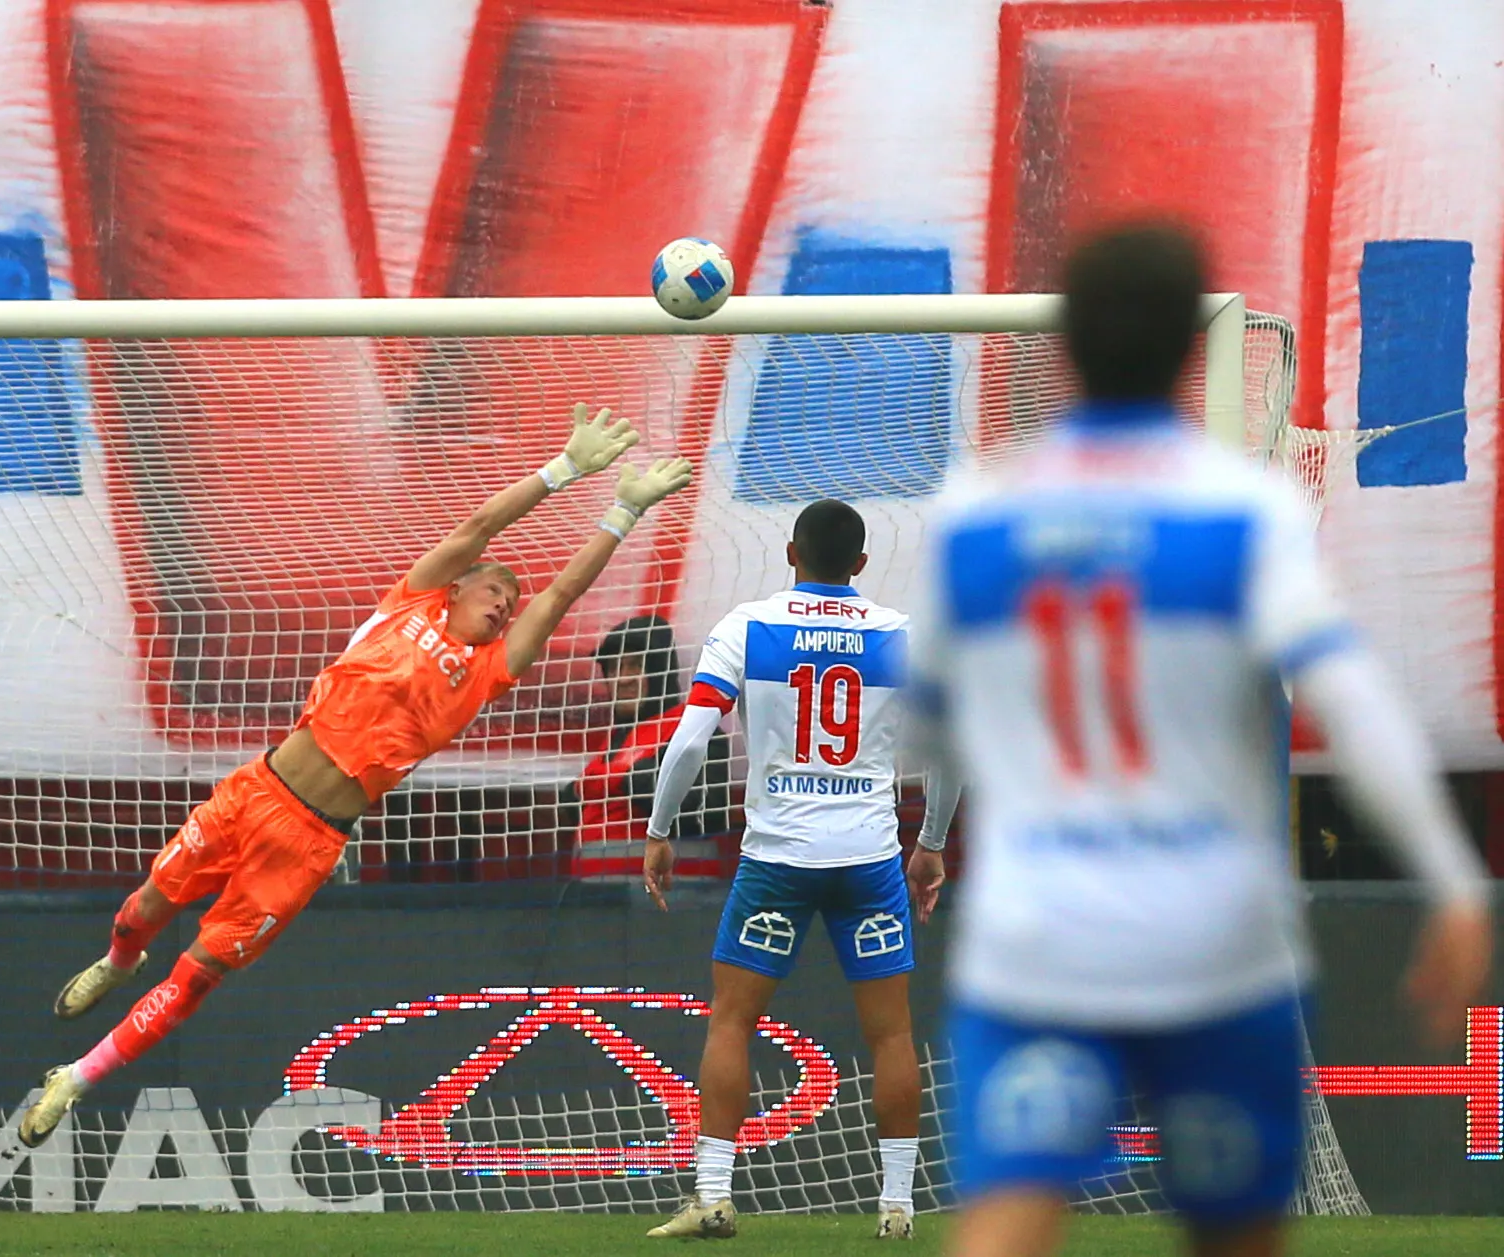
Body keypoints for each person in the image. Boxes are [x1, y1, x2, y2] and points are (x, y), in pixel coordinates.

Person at [907, 222, 1494, 1257]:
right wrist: (1450, 880)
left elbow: (926, 723)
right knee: (1232, 1235)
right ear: (1190, 348)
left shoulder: (973, 514)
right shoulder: (1242, 506)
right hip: (1211, 931)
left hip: (1037, 929)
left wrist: (961, 800)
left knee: (1001, 1223)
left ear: (1059, 347)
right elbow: (1352, 707)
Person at [16, 403, 693, 1147]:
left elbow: (561, 598)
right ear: (455, 589)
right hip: (258, 789)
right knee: (143, 905)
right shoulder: (407, 604)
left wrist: (623, 510)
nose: (505, 603)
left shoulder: (486, 672)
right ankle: (119, 960)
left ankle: (75, 1077)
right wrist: (562, 471)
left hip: (310, 841)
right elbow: (477, 530)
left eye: (510, 603)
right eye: (494, 589)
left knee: (201, 973)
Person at [639, 498, 959, 1240]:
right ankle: (898, 1206)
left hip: (778, 858)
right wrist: (932, 842)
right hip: (869, 858)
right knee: (891, 1035)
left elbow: (690, 743)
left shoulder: (747, 626)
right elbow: (951, 750)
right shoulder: (900, 636)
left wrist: (660, 829)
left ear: (790, 551)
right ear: (860, 564)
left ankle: (715, 1197)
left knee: (733, 1019)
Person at [567, 614, 732, 880]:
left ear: (659, 669)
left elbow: (710, 818)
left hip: (670, 898)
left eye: (634, 666)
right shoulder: (614, 741)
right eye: (613, 668)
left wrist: (636, 781)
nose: (623, 679)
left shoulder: (693, 732)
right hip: (598, 899)